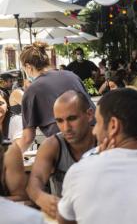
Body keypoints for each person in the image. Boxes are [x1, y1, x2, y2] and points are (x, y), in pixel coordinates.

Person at [57, 88, 137, 224]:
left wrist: (96, 159)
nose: (94, 131)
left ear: (113, 125)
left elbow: (64, 220)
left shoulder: (80, 172)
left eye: (98, 123)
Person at [26, 91, 97, 219]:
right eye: (59, 121)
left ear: (89, 115)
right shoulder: (52, 145)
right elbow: (34, 181)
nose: (66, 127)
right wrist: (40, 197)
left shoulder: (105, 140)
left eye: (72, 118)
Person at [17, 42, 95, 152]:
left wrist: (9, 158)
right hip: (95, 139)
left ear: (28, 67)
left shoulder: (32, 90)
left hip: (68, 148)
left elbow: (27, 138)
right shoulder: (72, 76)